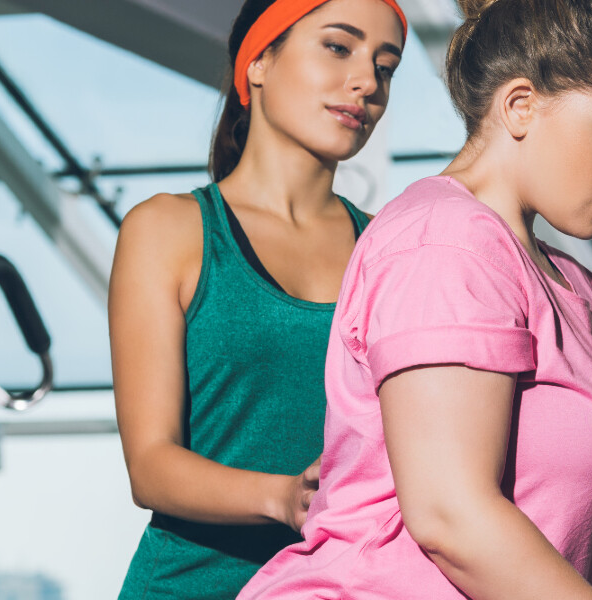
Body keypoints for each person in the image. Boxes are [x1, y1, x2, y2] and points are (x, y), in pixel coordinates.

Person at [239, 1, 592, 599]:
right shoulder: (444, 244)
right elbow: (452, 517)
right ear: (521, 106)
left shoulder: (581, 290)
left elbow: (581, 526)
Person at [107, 0, 405, 597]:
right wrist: (283, 497)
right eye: (338, 47)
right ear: (259, 61)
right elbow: (151, 465)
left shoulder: (391, 248)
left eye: (386, 66)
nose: (367, 81)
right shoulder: (169, 230)